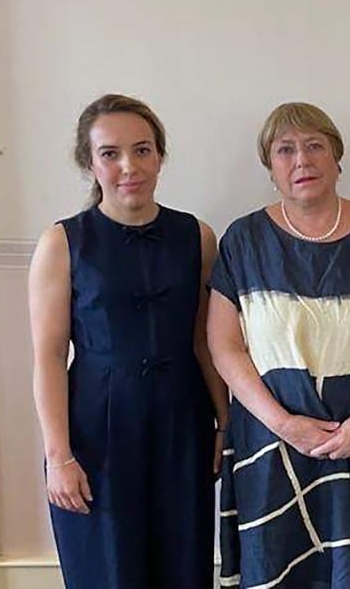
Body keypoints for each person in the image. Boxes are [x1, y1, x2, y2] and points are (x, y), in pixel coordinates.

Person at [208, 102, 350, 588]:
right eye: (285, 150)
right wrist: (283, 424)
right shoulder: (242, 240)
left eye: (314, 145)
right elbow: (224, 346)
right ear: (270, 167)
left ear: (337, 157)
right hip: (274, 443)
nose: (302, 160)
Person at [28, 93, 229, 588]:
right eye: (110, 153)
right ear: (89, 163)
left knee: (183, 566)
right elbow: (49, 356)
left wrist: (225, 424)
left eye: (142, 150)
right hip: (95, 432)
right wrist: (58, 456)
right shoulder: (63, 242)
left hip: (182, 425)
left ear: (160, 156)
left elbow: (206, 342)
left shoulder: (198, 237)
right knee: (107, 570)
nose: (129, 167)